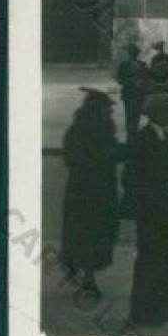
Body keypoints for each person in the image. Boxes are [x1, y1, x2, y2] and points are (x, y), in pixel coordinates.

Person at [59, 89, 125, 297]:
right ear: (95, 110)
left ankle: (74, 266)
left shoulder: (106, 130)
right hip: (84, 193)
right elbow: (73, 159)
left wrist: (125, 151)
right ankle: (88, 280)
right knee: (88, 234)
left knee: (96, 235)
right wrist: (103, 156)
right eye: (107, 109)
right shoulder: (78, 132)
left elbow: (114, 153)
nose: (110, 113)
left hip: (103, 192)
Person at [128, 93, 168, 327]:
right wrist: (147, 205)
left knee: (167, 260)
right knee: (149, 261)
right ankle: (141, 313)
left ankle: (162, 308)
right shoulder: (142, 139)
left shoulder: (167, 138)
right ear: (157, 114)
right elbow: (131, 177)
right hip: (150, 213)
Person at [114, 43, 146, 143]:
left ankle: (134, 138)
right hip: (129, 94)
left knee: (136, 118)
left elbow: (147, 78)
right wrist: (131, 81)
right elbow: (119, 80)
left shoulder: (142, 65)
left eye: (135, 53)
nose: (133, 54)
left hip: (139, 94)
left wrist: (142, 82)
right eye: (132, 53)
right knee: (129, 118)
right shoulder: (124, 66)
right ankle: (130, 139)